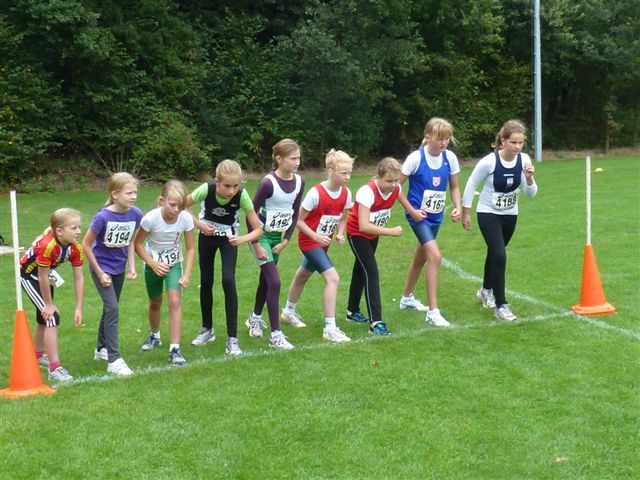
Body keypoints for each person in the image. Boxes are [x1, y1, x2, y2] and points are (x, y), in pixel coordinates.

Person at [461, 120, 537, 321]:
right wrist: (465, 212)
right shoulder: (489, 162)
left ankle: (485, 290)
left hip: (510, 214)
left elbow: (531, 194)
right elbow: (471, 184)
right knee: (500, 255)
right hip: (488, 213)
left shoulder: (524, 160)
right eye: (513, 142)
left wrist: (529, 178)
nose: (517, 147)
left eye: (521, 143)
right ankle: (501, 305)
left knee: (495, 253)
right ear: (503, 141)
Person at [187, 159, 263, 356]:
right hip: (207, 238)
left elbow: (258, 229)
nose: (231, 191)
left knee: (228, 280)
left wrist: (242, 238)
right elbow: (181, 206)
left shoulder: (242, 195)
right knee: (206, 281)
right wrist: (200, 225)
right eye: (227, 186)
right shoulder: (206, 189)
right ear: (216, 181)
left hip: (229, 240)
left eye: (235, 186)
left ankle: (232, 338)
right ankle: (207, 329)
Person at [280, 149, 354, 343]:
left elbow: (342, 218)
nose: (348, 177)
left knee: (302, 275)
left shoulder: (346, 193)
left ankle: (287, 312)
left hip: (323, 243)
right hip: (309, 242)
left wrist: (339, 233)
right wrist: (317, 236)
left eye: (350, 173)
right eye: (343, 173)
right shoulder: (316, 193)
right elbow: (298, 220)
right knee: (333, 278)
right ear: (331, 170)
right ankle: (330, 328)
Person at [397, 117, 462, 327]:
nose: (443, 143)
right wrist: (412, 211)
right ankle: (433, 312)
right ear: (427, 137)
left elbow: (454, 186)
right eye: (440, 138)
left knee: (420, 258)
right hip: (419, 217)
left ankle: (407, 298)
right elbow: (395, 187)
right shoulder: (415, 159)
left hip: (436, 217)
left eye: (447, 139)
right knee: (435, 256)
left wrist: (458, 207)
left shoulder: (449, 158)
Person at [245, 139, 305, 350]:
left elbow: (295, 212)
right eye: (293, 158)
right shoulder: (268, 183)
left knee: (266, 281)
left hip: (277, 239)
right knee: (275, 281)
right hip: (261, 236)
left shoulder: (299, 181)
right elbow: (250, 214)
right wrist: (256, 243)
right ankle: (276, 335)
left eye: (298, 158)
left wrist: (286, 239)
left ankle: (254, 318)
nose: (297, 162)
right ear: (278, 159)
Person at [82, 172, 142, 376]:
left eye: (135, 192)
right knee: (113, 308)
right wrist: (99, 273)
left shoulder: (136, 214)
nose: (133, 196)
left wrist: (131, 266)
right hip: (102, 267)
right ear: (115, 194)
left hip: (119, 268)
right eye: (129, 193)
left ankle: (101, 349)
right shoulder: (102, 217)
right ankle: (114, 359)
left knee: (110, 308)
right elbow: (86, 245)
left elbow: (132, 241)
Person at [345, 156, 411, 336]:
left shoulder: (395, 188)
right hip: (357, 234)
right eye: (389, 181)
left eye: (396, 180)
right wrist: (391, 231)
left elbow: (400, 196)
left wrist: (414, 212)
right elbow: (363, 226)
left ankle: (352, 312)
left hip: (373, 234)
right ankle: (377, 322)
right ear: (378, 177)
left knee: (361, 270)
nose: (393, 185)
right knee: (371, 272)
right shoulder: (367, 192)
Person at [134, 180, 195, 365]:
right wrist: (152, 263)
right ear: (161, 201)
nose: (176, 210)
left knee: (175, 302)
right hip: (153, 265)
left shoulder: (185, 219)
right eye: (172, 205)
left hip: (174, 265)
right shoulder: (150, 219)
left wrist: (187, 274)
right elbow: (137, 244)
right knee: (155, 301)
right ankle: (154, 336)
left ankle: (175, 348)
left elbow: (191, 248)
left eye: (181, 206)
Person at [20, 208, 84, 383]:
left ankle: (39, 355)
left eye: (79, 227)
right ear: (59, 231)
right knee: (52, 317)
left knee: (44, 318)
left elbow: (79, 277)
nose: (78, 231)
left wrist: (79, 307)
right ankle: (54, 368)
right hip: (28, 276)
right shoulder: (48, 246)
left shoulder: (75, 247)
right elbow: (40, 276)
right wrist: (48, 304)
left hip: (45, 277)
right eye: (74, 228)